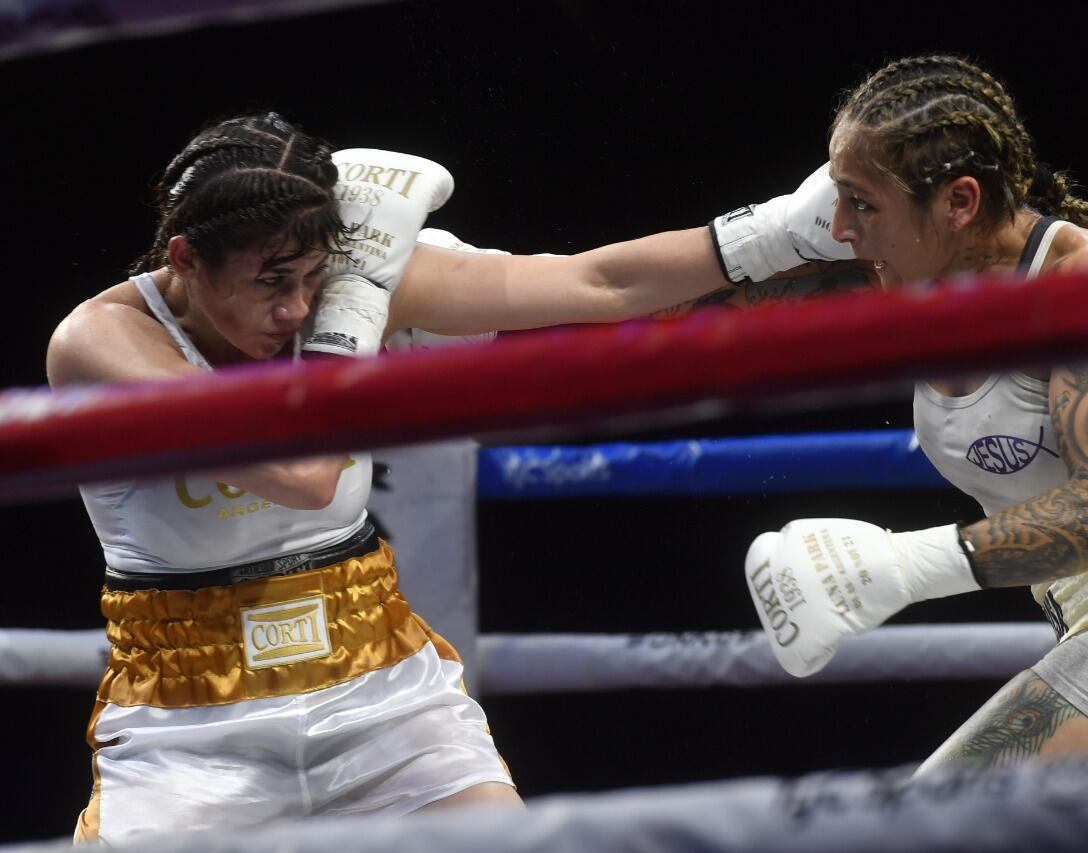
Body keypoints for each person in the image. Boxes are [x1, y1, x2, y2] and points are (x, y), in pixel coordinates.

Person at [46, 112, 878, 843]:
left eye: (313, 280)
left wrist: (775, 231)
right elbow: (300, 474)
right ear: (186, 258)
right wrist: (356, 310)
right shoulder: (103, 341)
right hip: (188, 723)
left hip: (377, 682)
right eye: (271, 282)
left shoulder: (344, 279)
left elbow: (593, 281)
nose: (298, 309)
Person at [742, 54, 1088, 769]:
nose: (840, 224)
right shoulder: (910, 279)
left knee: (908, 831)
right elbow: (626, 292)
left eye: (862, 203)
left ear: (959, 202)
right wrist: (760, 237)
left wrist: (904, 563)